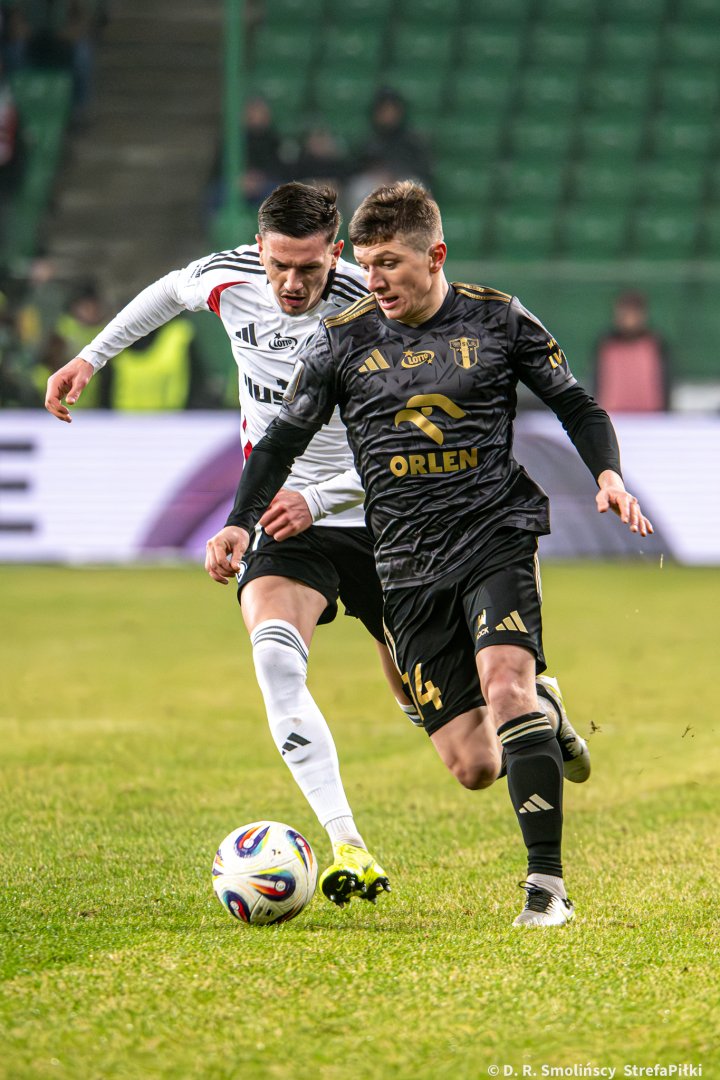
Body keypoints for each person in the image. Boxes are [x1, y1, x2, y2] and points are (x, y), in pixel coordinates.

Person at [205, 181, 652, 927]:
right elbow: (281, 440)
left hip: (492, 532)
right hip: (404, 561)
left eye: (389, 264)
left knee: (505, 685)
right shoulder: (342, 341)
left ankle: (547, 890)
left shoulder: (498, 318)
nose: (373, 280)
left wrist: (607, 475)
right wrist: (239, 522)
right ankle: (546, 713)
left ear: (435, 256)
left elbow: (576, 402)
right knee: (474, 765)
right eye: (367, 264)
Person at [45, 183, 406, 907]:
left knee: (438, 720)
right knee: (275, 658)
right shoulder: (229, 277)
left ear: (335, 252)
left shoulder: (374, 306)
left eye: (309, 268)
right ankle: (348, 843)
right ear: (259, 248)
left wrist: (324, 496)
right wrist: (91, 358)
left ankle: (528, 709)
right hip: (278, 509)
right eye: (279, 266)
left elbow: (408, 439)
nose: (292, 284)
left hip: (373, 510)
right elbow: (166, 292)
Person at [593, 290, 673, 413]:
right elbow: (597, 383)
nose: (629, 319)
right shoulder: (606, 345)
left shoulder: (655, 344)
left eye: (633, 313)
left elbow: (665, 384)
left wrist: (665, 412)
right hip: (613, 415)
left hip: (650, 416)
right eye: (624, 313)